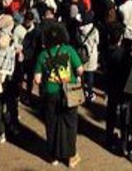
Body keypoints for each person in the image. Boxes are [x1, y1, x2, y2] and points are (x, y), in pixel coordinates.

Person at [33, 22, 84, 167]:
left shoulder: (43, 55)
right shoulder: (69, 50)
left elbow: (37, 79)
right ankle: (71, 156)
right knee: (71, 124)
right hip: (70, 90)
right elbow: (80, 69)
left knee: (52, 124)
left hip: (50, 93)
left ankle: (53, 156)